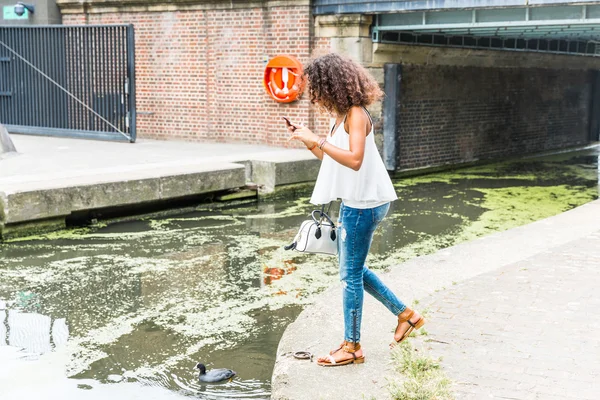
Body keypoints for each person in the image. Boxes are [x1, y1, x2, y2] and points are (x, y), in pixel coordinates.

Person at [285, 53, 425, 367]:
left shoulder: (356, 114)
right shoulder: (341, 116)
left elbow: (354, 160)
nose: (313, 95)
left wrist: (317, 139)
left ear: (330, 85)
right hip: (358, 202)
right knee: (354, 270)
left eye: (316, 87)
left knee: (349, 277)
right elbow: (334, 162)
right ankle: (406, 315)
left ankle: (351, 346)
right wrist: (308, 140)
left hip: (362, 206)